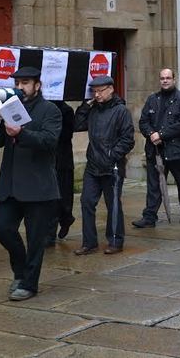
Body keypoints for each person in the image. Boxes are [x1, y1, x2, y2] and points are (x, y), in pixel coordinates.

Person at [0, 66, 62, 301]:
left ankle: (29, 284)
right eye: (17, 83)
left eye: (25, 83)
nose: (20, 87)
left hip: (38, 187)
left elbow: (49, 141)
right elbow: (1, 143)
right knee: (3, 229)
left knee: (35, 240)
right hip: (11, 185)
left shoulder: (50, 110)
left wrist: (20, 133)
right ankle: (21, 271)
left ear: (37, 85)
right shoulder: (9, 108)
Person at [73, 76, 135, 255]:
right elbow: (77, 125)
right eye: (94, 91)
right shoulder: (92, 110)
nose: (97, 95)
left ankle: (115, 240)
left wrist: (112, 155)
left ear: (110, 89)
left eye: (100, 91)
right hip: (93, 165)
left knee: (113, 204)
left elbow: (127, 139)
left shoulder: (121, 111)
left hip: (112, 166)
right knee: (86, 202)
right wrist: (85, 106)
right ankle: (89, 242)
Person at [133, 68, 180, 227]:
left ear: (174, 79)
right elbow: (143, 121)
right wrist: (151, 133)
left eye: (168, 78)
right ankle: (149, 217)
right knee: (154, 185)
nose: (165, 81)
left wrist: (161, 134)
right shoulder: (152, 99)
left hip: (176, 150)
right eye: (162, 78)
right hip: (155, 150)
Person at [47, 100, 76, 246]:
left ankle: (66, 218)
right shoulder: (44, 107)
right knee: (50, 200)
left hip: (63, 160)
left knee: (63, 197)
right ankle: (49, 235)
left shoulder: (66, 110)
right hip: (48, 160)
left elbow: (67, 134)